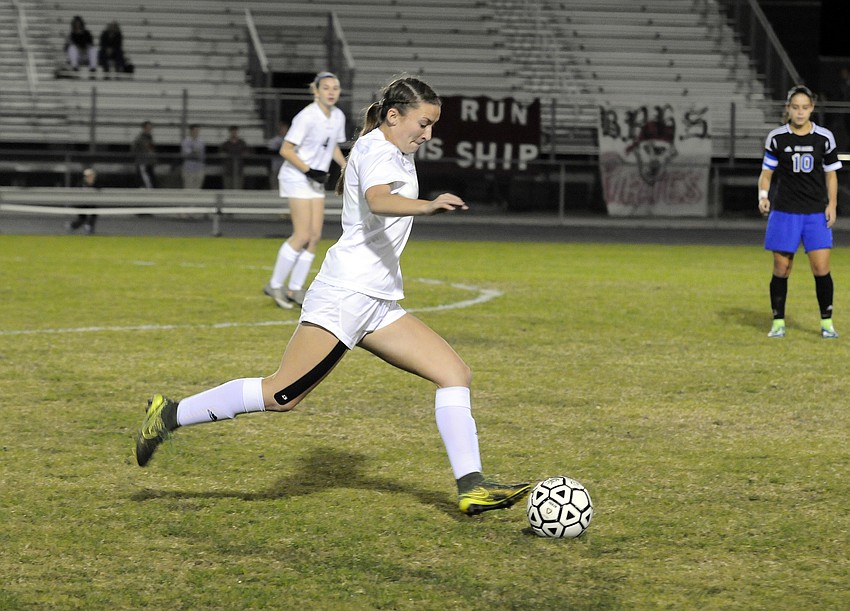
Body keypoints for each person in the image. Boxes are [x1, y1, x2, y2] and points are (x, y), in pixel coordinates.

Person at [134, 75, 532, 516]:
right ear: (394, 116)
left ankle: (472, 486)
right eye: (423, 123)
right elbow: (378, 200)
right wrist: (429, 204)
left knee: (454, 373)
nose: (428, 134)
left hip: (376, 301)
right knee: (282, 394)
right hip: (346, 295)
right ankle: (169, 414)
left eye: (433, 125)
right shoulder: (379, 150)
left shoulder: (390, 148)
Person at [758, 85, 843, 338]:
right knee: (781, 268)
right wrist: (763, 196)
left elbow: (831, 175)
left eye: (805, 107)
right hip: (785, 211)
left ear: (812, 108)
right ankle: (778, 323)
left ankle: (827, 324)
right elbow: (766, 173)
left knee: (821, 269)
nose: (800, 112)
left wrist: (832, 204)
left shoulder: (824, 138)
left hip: (815, 212)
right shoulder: (777, 138)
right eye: (795, 107)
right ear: (788, 108)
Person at [264, 72, 347, 309]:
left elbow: (331, 146)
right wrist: (309, 170)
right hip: (297, 176)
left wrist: (345, 166)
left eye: (335, 88)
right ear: (316, 91)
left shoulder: (338, 116)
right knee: (301, 235)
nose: (331, 92)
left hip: (314, 179)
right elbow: (286, 150)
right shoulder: (307, 116)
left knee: (314, 237)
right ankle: (275, 284)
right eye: (326, 88)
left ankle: (295, 288)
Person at [66, 167, 99, 234]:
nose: (91, 178)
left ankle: (89, 227)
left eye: (92, 176)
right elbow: (76, 195)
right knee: (82, 218)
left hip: (90, 204)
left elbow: (99, 191)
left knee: (94, 213)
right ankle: (72, 226)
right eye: (89, 176)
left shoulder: (95, 184)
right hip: (81, 204)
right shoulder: (81, 184)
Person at [131, 121, 156, 188]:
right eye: (148, 128)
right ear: (144, 128)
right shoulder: (140, 138)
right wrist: (140, 156)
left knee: (149, 177)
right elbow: (134, 149)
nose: (150, 130)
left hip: (149, 161)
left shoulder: (149, 138)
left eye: (150, 128)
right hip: (142, 161)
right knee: (144, 178)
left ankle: (148, 187)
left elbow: (151, 150)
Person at [180, 124, 206, 189]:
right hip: (189, 168)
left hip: (199, 168)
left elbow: (201, 155)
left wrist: (194, 152)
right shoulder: (186, 141)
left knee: (198, 188)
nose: (197, 132)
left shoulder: (201, 142)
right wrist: (194, 152)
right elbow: (187, 153)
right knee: (189, 188)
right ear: (191, 131)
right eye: (195, 130)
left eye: (198, 130)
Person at [266, 121, 290, 190]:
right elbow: (271, 152)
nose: (283, 130)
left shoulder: (290, 140)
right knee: (275, 183)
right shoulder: (274, 140)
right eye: (282, 128)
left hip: (287, 166)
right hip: (276, 165)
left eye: (285, 129)